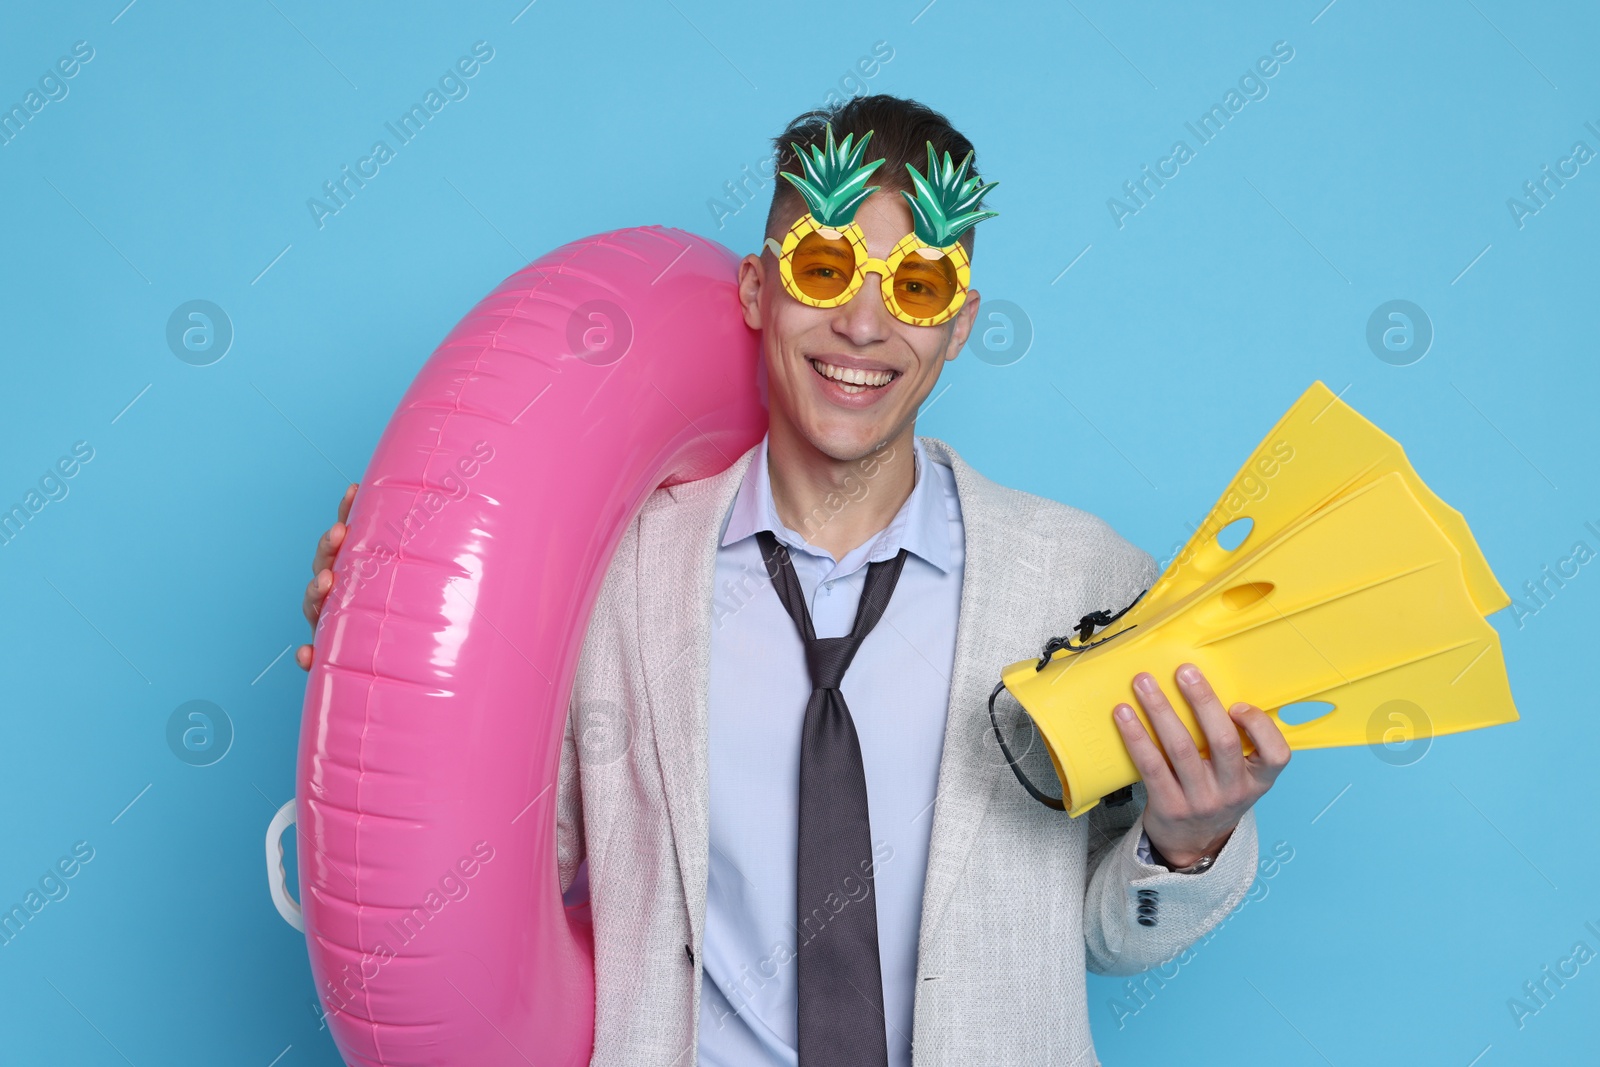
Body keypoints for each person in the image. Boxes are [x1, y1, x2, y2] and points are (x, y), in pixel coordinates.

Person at [297, 95, 1290, 1067]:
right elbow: (501, 870)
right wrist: (381, 678)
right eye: (824, 270)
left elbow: (1108, 935)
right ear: (755, 292)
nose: (864, 325)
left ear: (960, 321)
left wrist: (1188, 841)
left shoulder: (1084, 575)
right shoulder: (615, 576)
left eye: (916, 288)